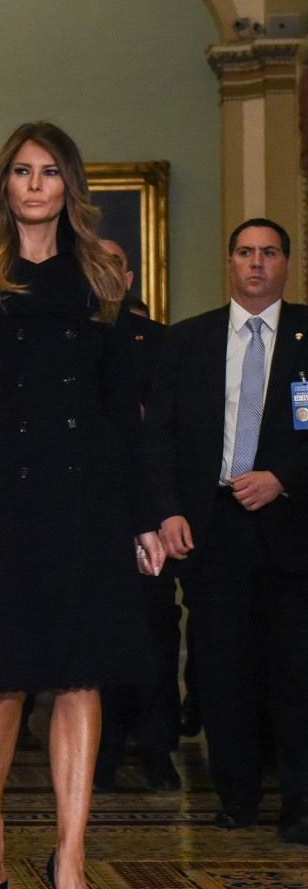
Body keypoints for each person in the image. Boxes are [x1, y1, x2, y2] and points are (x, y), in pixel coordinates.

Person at [0, 122, 165, 889]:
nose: (35, 184)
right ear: (4, 184)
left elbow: (121, 408)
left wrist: (144, 514)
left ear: (70, 184)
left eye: (48, 172)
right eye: (21, 171)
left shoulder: (101, 271)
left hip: (86, 499)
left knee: (82, 673)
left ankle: (71, 856)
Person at [144, 218, 308, 842]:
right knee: (221, 669)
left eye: (269, 253)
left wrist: (283, 479)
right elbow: (156, 436)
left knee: (294, 671)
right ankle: (236, 795)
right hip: (211, 527)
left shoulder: (306, 335)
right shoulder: (189, 341)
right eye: (245, 252)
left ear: (287, 264)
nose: (257, 264)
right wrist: (167, 511)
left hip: (290, 525)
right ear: (230, 262)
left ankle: (299, 800)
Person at [95, 238, 183, 794]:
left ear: (128, 280)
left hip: (146, 509)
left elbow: (165, 431)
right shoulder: (69, 335)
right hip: (90, 513)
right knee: (96, 639)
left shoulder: (160, 343)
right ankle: (101, 756)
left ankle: (158, 750)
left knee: (155, 633)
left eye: (113, 267)